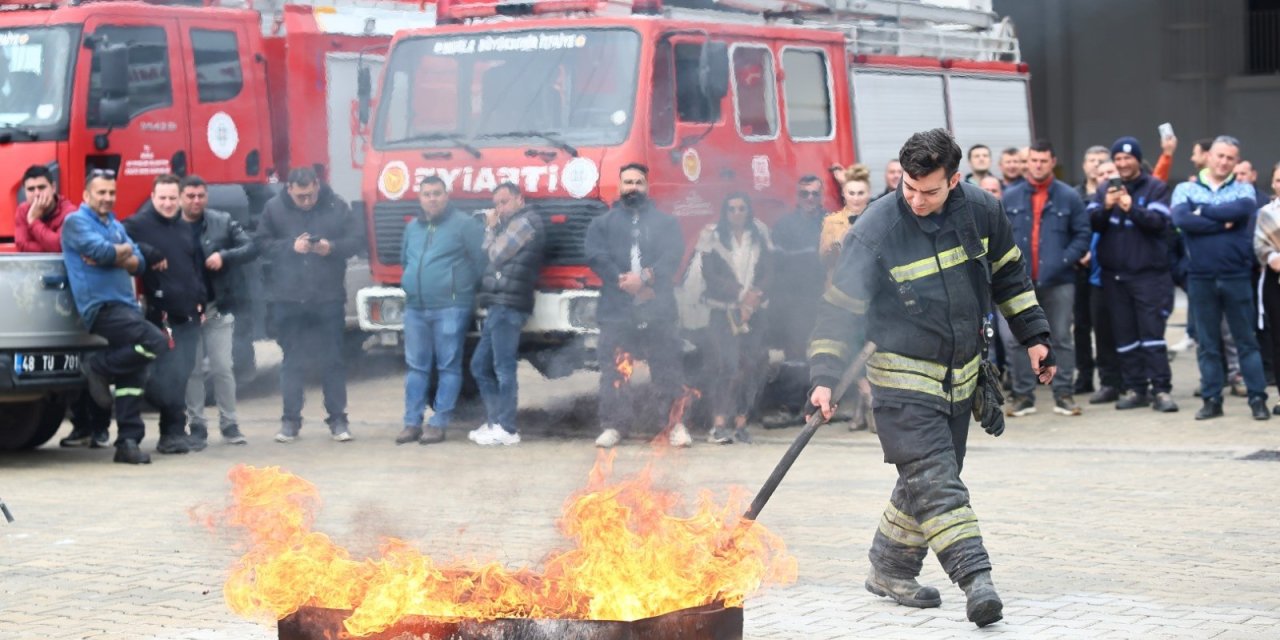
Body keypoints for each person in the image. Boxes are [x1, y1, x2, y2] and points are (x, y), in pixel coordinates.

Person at [809, 129, 1053, 628]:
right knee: (939, 484)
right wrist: (824, 377)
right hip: (901, 380)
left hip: (961, 376)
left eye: (930, 191)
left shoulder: (982, 211)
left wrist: (1035, 337)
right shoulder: (874, 230)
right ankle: (976, 579)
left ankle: (890, 568)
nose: (917, 201)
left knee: (925, 482)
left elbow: (1009, 275)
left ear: (955, 180)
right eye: (909, 189)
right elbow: (839, 313)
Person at [62, 170, 169, 465]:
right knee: (156, 341)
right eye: (101, 193)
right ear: (86, 195)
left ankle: (128, 442)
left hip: (126, 307)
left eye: (112, 193)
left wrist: (116, 254)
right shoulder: (76, 222)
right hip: (102, 307)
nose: (108, 198)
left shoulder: (115, 225)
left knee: (132, 376)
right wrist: (117, 254)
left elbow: (139, 263)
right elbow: (100, 250)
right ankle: (98, 366)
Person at [586, 163, 688, 448]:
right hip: (616, 310)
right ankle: (614, 426)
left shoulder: (666, 223)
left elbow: (673, 255)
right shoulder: (602, 224)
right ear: (619, 187)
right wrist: (622, 280)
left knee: (667, 367)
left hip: (657, 308)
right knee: (614, 370)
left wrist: (644, 278)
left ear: (647, 187)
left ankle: (674, 424)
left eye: (638, 182)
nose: (633, 188)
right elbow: (595, 255)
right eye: (627, 182)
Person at [258, 167, 363, 442]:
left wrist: (332, 247)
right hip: (288, 298)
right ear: (289, 189)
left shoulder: (335, 205)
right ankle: (290, 421)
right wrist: (289, 247)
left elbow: (357, 241)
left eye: (310, 195)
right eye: (300, 196)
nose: (306, 201)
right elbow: (261, 245)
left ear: (317, 185)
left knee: (333, 360)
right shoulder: (273, 208)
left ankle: (338, 420)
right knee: (292, 361)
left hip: (327, 296)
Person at [14, 165, 112, 448]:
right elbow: (21, 247)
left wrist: (34, 224)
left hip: (79, 292)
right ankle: (81, 427)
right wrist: (35, 231)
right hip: (43, 297)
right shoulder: (23, 209)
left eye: (41, 188)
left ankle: (100, 428)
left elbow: (61, 247)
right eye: (30, 189)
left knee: (88, 361)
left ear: (53, 188)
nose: (36, 195)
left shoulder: (70, 214)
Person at [1172, 135, 1269, 421]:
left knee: (1246, 340)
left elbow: (1243, 211)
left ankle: (1257, 398)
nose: (1224, 162)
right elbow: (1181, 220)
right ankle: (1212, 399)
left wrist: (1202, 212)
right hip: (1200, 276)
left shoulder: (1244, 190)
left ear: (1236, 161)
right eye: (1220, 156)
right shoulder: (1184, 188)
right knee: (1207, 342)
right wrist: (1222, 222)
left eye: (1230, 158)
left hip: (1236, 275)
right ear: (1209, 156)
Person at [999, 140, 1090, 417]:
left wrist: (1064, 260)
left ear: (1053, 162)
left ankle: (1063, 394)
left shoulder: (1069, 197)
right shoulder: (1010, 197)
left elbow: (1083, 234)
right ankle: (1023, 396)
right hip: (1019, 283)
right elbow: (998, 237)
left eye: (1043, 160)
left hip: (1059, 280)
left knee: (1061, 337)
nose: (1037, 165)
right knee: (1017, 340)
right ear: (1028, 163)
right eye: (1033, 160)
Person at [1088, 139, 1179, 412]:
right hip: (1115, 278)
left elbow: (1160, 223)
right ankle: (1135, 388)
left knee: (1152, 335)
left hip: (1148, 276)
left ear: (1138, 160)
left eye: (1129, 159)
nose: (1123, 164)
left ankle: (1161, 390)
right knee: (1125, 336)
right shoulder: (1105, 188)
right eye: (1119, 159)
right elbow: (1090, 222)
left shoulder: (1156, 187)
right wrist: (1105, 206)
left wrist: (1132, 208)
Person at [395, 175, 485, 446]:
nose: (432, 198)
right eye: (426, 194)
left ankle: (438, 423)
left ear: (447, 196)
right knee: (415, 368)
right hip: (415, 308)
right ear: (420, 198)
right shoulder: (412, 228)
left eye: (437, 193)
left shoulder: (464, 225)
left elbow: (481, 261)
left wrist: (461, 291)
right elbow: (405, 259)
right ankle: (411, 423)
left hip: (451, 308)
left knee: (448, 366)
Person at [122, 174, 208, 454]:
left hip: (189, 314)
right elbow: (116, 238)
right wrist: (146, 252)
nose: (168, 203)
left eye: (173, 198)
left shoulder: (185, 228)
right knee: (166, 376)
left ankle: (174, 433)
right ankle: (168, 432)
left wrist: (201, 300)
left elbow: (196, 268)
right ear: (153, 196)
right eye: (163, 198)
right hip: (161, 316)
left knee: (182, 374)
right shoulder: (138, 224)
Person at [180, 175, 256, 446]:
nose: (196, 201)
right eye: (190, 196)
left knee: (223, 367)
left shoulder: (222, 221)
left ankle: (230, 423)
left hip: (217, 306)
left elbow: (251, 246)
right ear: (180, 197)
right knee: (193, 370)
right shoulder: (170, 226)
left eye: (201, 195)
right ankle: (197, 425)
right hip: (186, 311)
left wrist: (224, 256)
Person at [468, 182, 543, 447]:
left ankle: (508, 428)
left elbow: (496, 254)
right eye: (496, 204)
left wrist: (490, 227)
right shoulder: (511, 224)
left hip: (509, 304)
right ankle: (495, 421)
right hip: (498, 304)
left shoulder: (525, 223)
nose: (499, 209)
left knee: (503, 367)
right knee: (479, 365)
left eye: (504, 202)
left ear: (519, 200)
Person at [699, 193, 773, 445]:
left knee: (751, 366)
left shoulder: (760, 233)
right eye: (731, 209)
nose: (737, 213)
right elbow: (709, 274)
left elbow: (769, 269)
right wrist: (740, 294)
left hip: (755, 311)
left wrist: (755, 296)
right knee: (725, 366)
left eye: (742, 208)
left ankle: (742, 423)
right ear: (724, 212)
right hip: (723, 310)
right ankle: (719, 424)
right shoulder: (712, 235)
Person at [766, 174, 831, 427]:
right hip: (792, 299)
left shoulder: (830, 223)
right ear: (797, 196)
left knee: (823, 352)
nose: (810, 199)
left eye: (815, 193)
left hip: (824, 298)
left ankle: (819, 407)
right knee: (794, 355)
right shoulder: (784, 225)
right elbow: (775, 266)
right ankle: (791, 406)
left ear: (821, 195)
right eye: (805, 193)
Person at [1084, 161, 1124, 405]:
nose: (1107, 178)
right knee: (1103, 335)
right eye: (1102, 174)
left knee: (1128, 333)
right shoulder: (1092, 206)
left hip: (1126, 278)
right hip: (1097, 279)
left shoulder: (1128, 202)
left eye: (1111, 173)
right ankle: (1109, 383)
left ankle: (1132, 382)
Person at [1072, 145, 1111, 394]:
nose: (1096, 165)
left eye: (1101, 161)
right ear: (1085, 165)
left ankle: (1109, 377)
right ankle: (1084, 375)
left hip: (1105, 269)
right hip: (1079, 269)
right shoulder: (1073, 195)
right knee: (1081, 325)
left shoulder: (1114, 195)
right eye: (1092, 160)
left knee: (1106, 326)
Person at [1252, 163, 1280, 413]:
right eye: (1279, 180)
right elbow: (1262, 248)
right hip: (1275, 282)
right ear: (1272, 183)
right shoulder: (1265, 213)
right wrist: (1272, 258)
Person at [820, 164, 871, 277]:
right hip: (840, 285)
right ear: (843, 194)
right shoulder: (831, 222)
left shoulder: (876, 219)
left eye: (860, 193)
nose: (856, 198)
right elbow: (824, 262)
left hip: (870, 285)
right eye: (851, 193)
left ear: (868, 194)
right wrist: (837, 246)